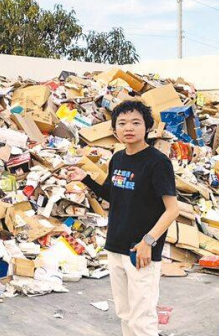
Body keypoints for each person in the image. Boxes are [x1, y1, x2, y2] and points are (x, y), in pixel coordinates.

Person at [66, 100, 179, 336]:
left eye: (136, 122)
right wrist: (85, 178)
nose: (129, 128)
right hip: (116, 245)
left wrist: (148, 242)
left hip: (141, 249)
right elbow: (112, 195)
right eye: (122, 123)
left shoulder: (157, 162)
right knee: (125, 313)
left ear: (147, 127)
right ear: (115, 129)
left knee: (142, 319)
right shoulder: (118, 158)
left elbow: (172, 210)